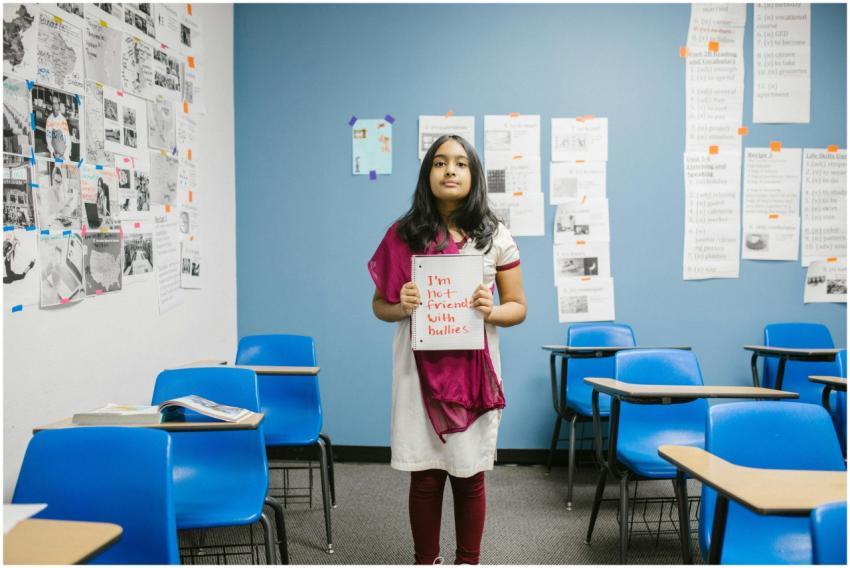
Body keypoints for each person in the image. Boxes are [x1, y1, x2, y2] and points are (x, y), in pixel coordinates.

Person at [368, 135, 527, 565]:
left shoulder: (495, 236)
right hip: (416, 372)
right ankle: (426, 560)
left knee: (469, 473)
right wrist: (400, 305)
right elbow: (379, 306)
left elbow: (518, 307)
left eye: (460, 163)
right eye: (440, 163)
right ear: (428, 175)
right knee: (424, 474)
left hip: (473, 374)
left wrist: (491, 311)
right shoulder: (403, 235)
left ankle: (467, 561)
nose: (450, 170)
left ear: (473, 176)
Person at [45, 95, 71, 162]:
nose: (55, 106)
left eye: (56, 103)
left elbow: (68, 140)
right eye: (53, 103)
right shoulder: (49, 120)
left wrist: (64, 156)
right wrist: (53, 152)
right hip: (54, 155)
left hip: (63, 156)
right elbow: (48, 138)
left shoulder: (63, 120)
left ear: (59, 105)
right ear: (51, 106)